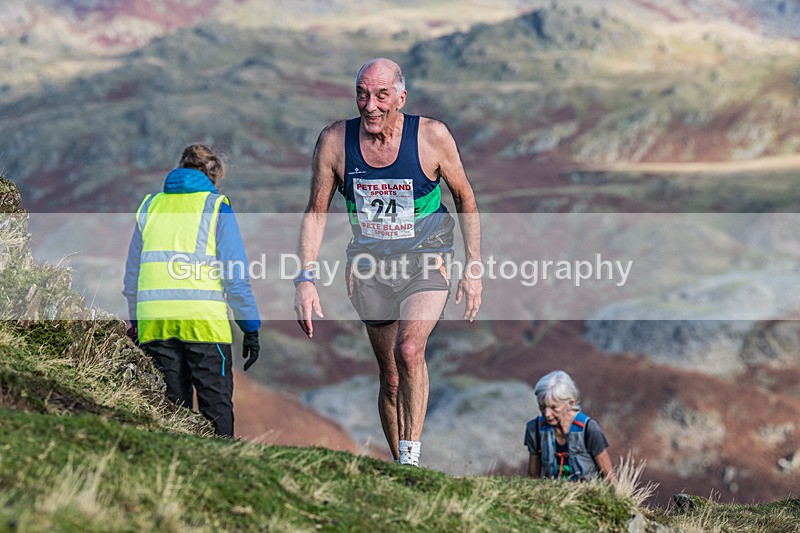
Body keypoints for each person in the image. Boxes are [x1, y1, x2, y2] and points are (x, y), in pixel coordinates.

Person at [294, 58, 482, 466]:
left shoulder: (432, 137)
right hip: (370, 267)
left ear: (401, 97)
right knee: (391, 378)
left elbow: (465, 197)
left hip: (426, 257)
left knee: (410, 349)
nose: (370, 105)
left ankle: (411, 458)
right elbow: (316, 212)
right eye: (362, 94)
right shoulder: (334, 142)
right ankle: (401, 471)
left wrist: (474, 267)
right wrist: (305, 278)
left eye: (381, 95)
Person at [123, 143, 261, 437]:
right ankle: (221, 473)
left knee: (169, 409)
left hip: (155, 322)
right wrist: (250, 327)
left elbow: (133, 274)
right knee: (216, 409)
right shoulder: (215, 206)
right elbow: (235, 277)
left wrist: (136, 322)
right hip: (204, 324)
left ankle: (172, 474)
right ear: (214, 177)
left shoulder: (150, 205)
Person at [525, 370, 615, 482]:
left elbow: (609, 476)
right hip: (553, 496)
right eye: (542, 407)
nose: (547, 414)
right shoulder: (535, 430)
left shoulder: (588, 429)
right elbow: (533, 478)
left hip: (588, 496)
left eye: (554, 408)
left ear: (570, 403)